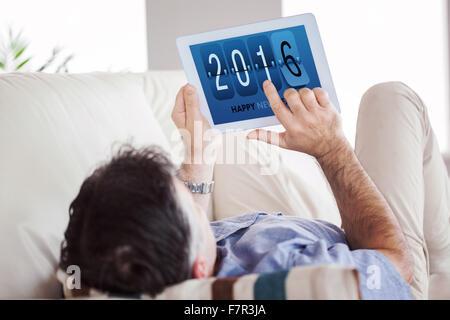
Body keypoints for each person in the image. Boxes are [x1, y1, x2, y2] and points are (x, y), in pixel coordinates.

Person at [59, 80, 450, 300]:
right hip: (380, 255)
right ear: (198, 269)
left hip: (269, 233)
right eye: (194, 208)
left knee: (236, 141)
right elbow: (394, 265)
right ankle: (444, 264)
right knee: (391, 99)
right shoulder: (290, 283)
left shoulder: (117, 263)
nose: (194, 196)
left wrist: (198, 151)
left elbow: (177, 236)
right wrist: (332, 149)